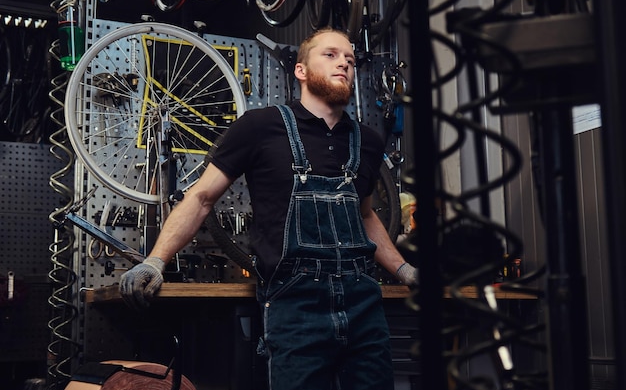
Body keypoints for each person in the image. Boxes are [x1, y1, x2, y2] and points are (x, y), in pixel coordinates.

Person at [120, 28, 418, 390]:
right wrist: (156, 260)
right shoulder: (260, 127)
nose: (344, 62)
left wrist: (405, 271)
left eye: (351, 60)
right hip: (295, 307)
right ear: (301, 70)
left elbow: (366, 215)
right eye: (331, 55)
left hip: (362, 305)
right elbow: (201, 199)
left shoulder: (367, 142)